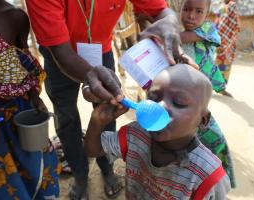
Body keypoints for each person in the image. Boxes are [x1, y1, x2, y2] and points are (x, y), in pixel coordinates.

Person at [25, 0, 196, 199]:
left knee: (108, 113)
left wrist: (170, 20)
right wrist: (89, 73)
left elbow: (161, 10)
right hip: (59, 55)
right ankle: (80, 176)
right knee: (66, 119)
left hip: (100, 51)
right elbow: (60, 51)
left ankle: (107, 169)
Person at [84, 64, 231, 199]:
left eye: (178, 102)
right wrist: (97, 121)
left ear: (203, 120)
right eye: (154, 98)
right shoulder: (136, 134)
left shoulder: (208, 177)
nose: (160, 106)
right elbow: (93, 150)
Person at [0, 0, 60, 199]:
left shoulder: (16, 17)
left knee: (37, 171)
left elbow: (24, 63)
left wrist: (35, 97)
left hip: (22, 114)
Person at [179, 0, 236, 188]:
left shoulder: (209, 29)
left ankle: (221, 178)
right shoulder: (174, 29)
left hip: (200, 96)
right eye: (186, 9)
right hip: (181, 97)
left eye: (198, 11)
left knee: (215, 139)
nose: (191, 15)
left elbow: (183, 37)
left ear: (207, 13)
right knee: (182, 136)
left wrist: (159, 31)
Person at [215, 0, 240, 97]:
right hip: (226, 40)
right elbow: (235, 24)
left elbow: (219, 23)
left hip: (221, 39)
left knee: (219, 63)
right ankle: (221, 88)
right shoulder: (229, 5)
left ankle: (218, 87)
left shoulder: (224, 6)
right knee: (224, 64)